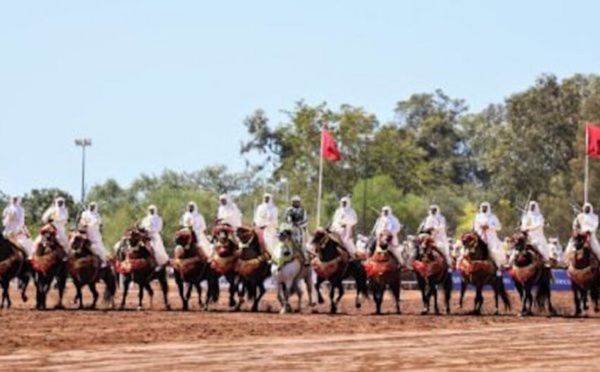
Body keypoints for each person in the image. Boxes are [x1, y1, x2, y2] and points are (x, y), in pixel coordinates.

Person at [473, 202, 506, 276]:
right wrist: (481, 227)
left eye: (485, 207)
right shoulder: (477, 216)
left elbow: (499, 227)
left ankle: (498, 267)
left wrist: (489, 226)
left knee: (496, 251)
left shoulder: (493, 217)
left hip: (491, 237)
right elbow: (475, 227)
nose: (484, 208)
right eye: (483, 207)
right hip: (480, 237)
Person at [421, 205, 453, 273]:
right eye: (432, 210)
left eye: (434, 210)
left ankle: (448, 265)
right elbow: (426, 228)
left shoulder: (442, 218)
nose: (433, 211)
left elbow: (442, 227)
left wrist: (436, 228)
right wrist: (431, 228)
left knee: (445, 251)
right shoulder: (428, 218)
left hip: (441, 238)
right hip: (431, 237)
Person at [517, 201, 550, 266]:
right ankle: (509, 263)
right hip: (527, 237)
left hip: (537, 237)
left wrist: (529, 228)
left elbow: (539, 225)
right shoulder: (526, 216)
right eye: (531, 206)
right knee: (516, 248)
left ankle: (546, 261)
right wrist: (524, 228)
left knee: (543, 249)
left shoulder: (539, 216)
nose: (532, 207)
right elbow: (523, 226)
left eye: (533, 206)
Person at [79, 202, 107, 266]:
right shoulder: (85, 213)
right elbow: (82, 220)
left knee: (99, 247)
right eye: (90, 206)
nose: (91, 207)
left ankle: (103, 261)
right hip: (85, 232)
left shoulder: (97, 216)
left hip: (94, 234)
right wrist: (84, 223)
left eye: (93, 206)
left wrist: (89, 224)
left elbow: (96, 223)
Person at [283, 195, 310, 263]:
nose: (295, 203)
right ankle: (285, 253)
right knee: (285, 239)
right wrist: (290, 223)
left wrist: (299, 224)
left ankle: (305, 258)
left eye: (297, 202)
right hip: (290, 227)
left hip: (300, 228)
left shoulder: (303, 210)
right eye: (294, 202)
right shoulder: (289, 210)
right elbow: (286, 218)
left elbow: (306, 220)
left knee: (302, 243)